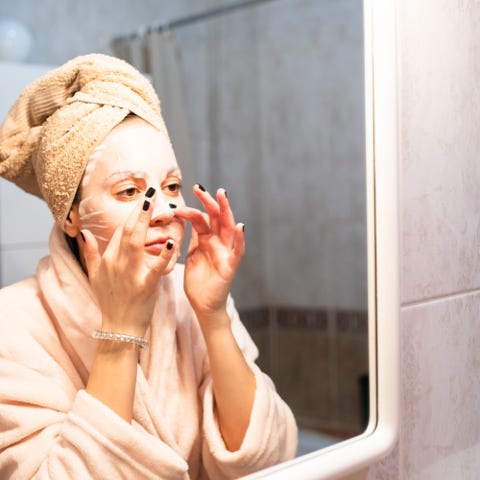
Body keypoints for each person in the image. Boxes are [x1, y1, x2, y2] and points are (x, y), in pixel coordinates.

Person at [0, 54, 297, 479]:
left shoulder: (187, 297)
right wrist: (120, 331)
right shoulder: (11, 327)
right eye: (128, 191)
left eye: (172, 186)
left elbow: (266, 461)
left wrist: (212, 316)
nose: (164, 210)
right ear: (71, 216)